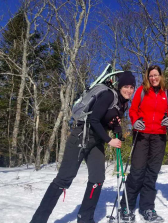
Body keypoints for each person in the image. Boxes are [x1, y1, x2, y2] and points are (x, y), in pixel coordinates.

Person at [30, 71, 136, 223]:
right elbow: (94, 119)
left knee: (97, 178)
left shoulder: (122, 103)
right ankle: (38, 220)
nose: (129, 90)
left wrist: (116, 130)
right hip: (81, 136)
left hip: (96, 141)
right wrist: (109, 140)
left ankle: (85, 218)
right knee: (64, 179)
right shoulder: (108, 95)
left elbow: (110, 122)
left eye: (132, 87)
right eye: (126, 86)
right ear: (120, 86)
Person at [119, 65, 168, 222]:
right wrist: (135, 122)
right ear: (147, 77)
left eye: (156, 75)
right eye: (151, 76)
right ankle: (126, 206)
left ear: (161, 76)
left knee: (152, 173)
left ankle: (147, 207)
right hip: (142, 135)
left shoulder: (167, 94)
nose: (153, 78)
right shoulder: (142, 91)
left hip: (159, 136)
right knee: (137, 172)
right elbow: (133, 110)